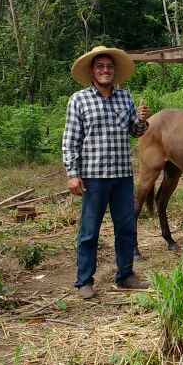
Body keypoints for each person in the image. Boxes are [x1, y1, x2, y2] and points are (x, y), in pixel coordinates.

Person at [62, 45, 151, 298]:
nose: (105, 70)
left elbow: (134, 132)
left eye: (109, 66)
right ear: (92, 71)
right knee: (90, 230)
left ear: (115, 71)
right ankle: (84, 280)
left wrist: (142, 120)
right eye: (100, 66)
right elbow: (70, 139)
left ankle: (125, 274)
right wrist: (72, 173)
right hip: (93, 176)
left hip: (122, 175)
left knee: (126, 227)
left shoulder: (126, 98)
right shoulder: (79, 100)